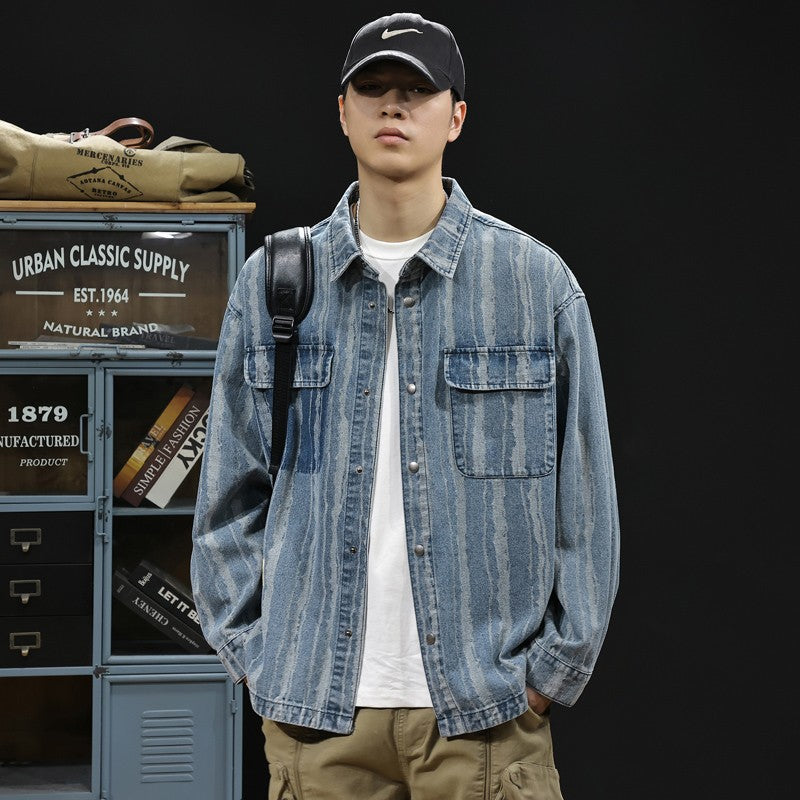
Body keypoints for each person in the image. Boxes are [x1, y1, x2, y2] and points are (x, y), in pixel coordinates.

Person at [190, 11, 620, 799]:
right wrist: (255, 654)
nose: (393, 105)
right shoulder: (274, 282)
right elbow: (227, 494)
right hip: (317, 718)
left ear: (456, 117)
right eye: (373, 88)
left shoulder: (535, 284)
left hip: (487, 715)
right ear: (342, 111)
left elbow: (586, 501)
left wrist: (549, 676)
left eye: (417, 90)